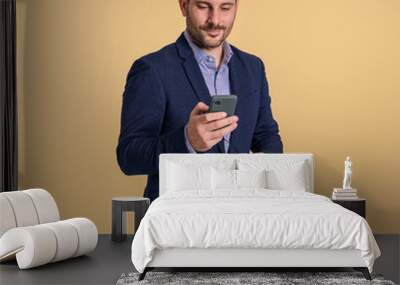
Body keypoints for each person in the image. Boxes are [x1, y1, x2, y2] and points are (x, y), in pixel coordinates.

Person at [116, 0, 283, 202]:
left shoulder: (253, 68)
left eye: (225, 7)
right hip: (176, 219)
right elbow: (129, 156)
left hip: (242, 215)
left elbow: (267, 138)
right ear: (183, 5)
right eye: (203, 6)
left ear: (236, 7)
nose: (215, 20)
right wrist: (187, 140)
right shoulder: (151, 69)